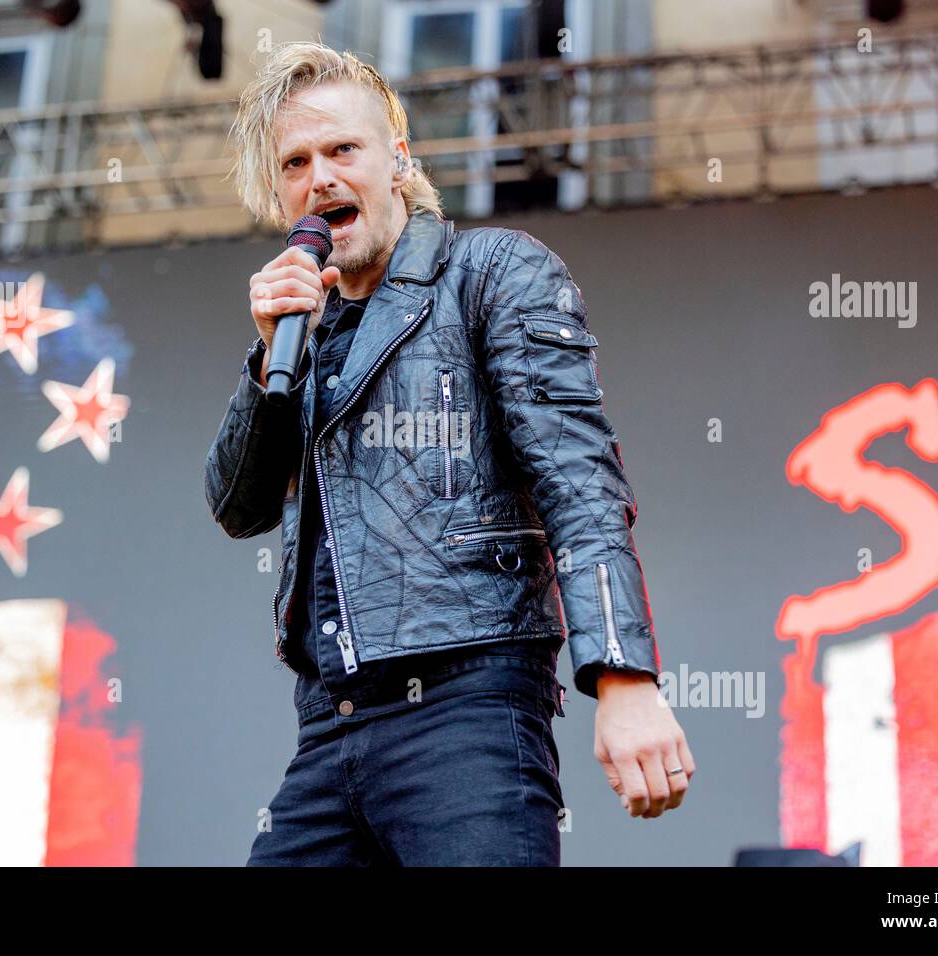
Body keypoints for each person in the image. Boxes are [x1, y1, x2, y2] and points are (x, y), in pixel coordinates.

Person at [205, 41, 694, 866]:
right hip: (329, 723)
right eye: (296, 161)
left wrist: (624, 676)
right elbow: (237, 505)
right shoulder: (302, 335)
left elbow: (577, 478)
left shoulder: (490, 273)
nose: (319, 177)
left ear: (398, 160)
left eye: (342, 150)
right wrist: (266, 364)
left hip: (465, 711)